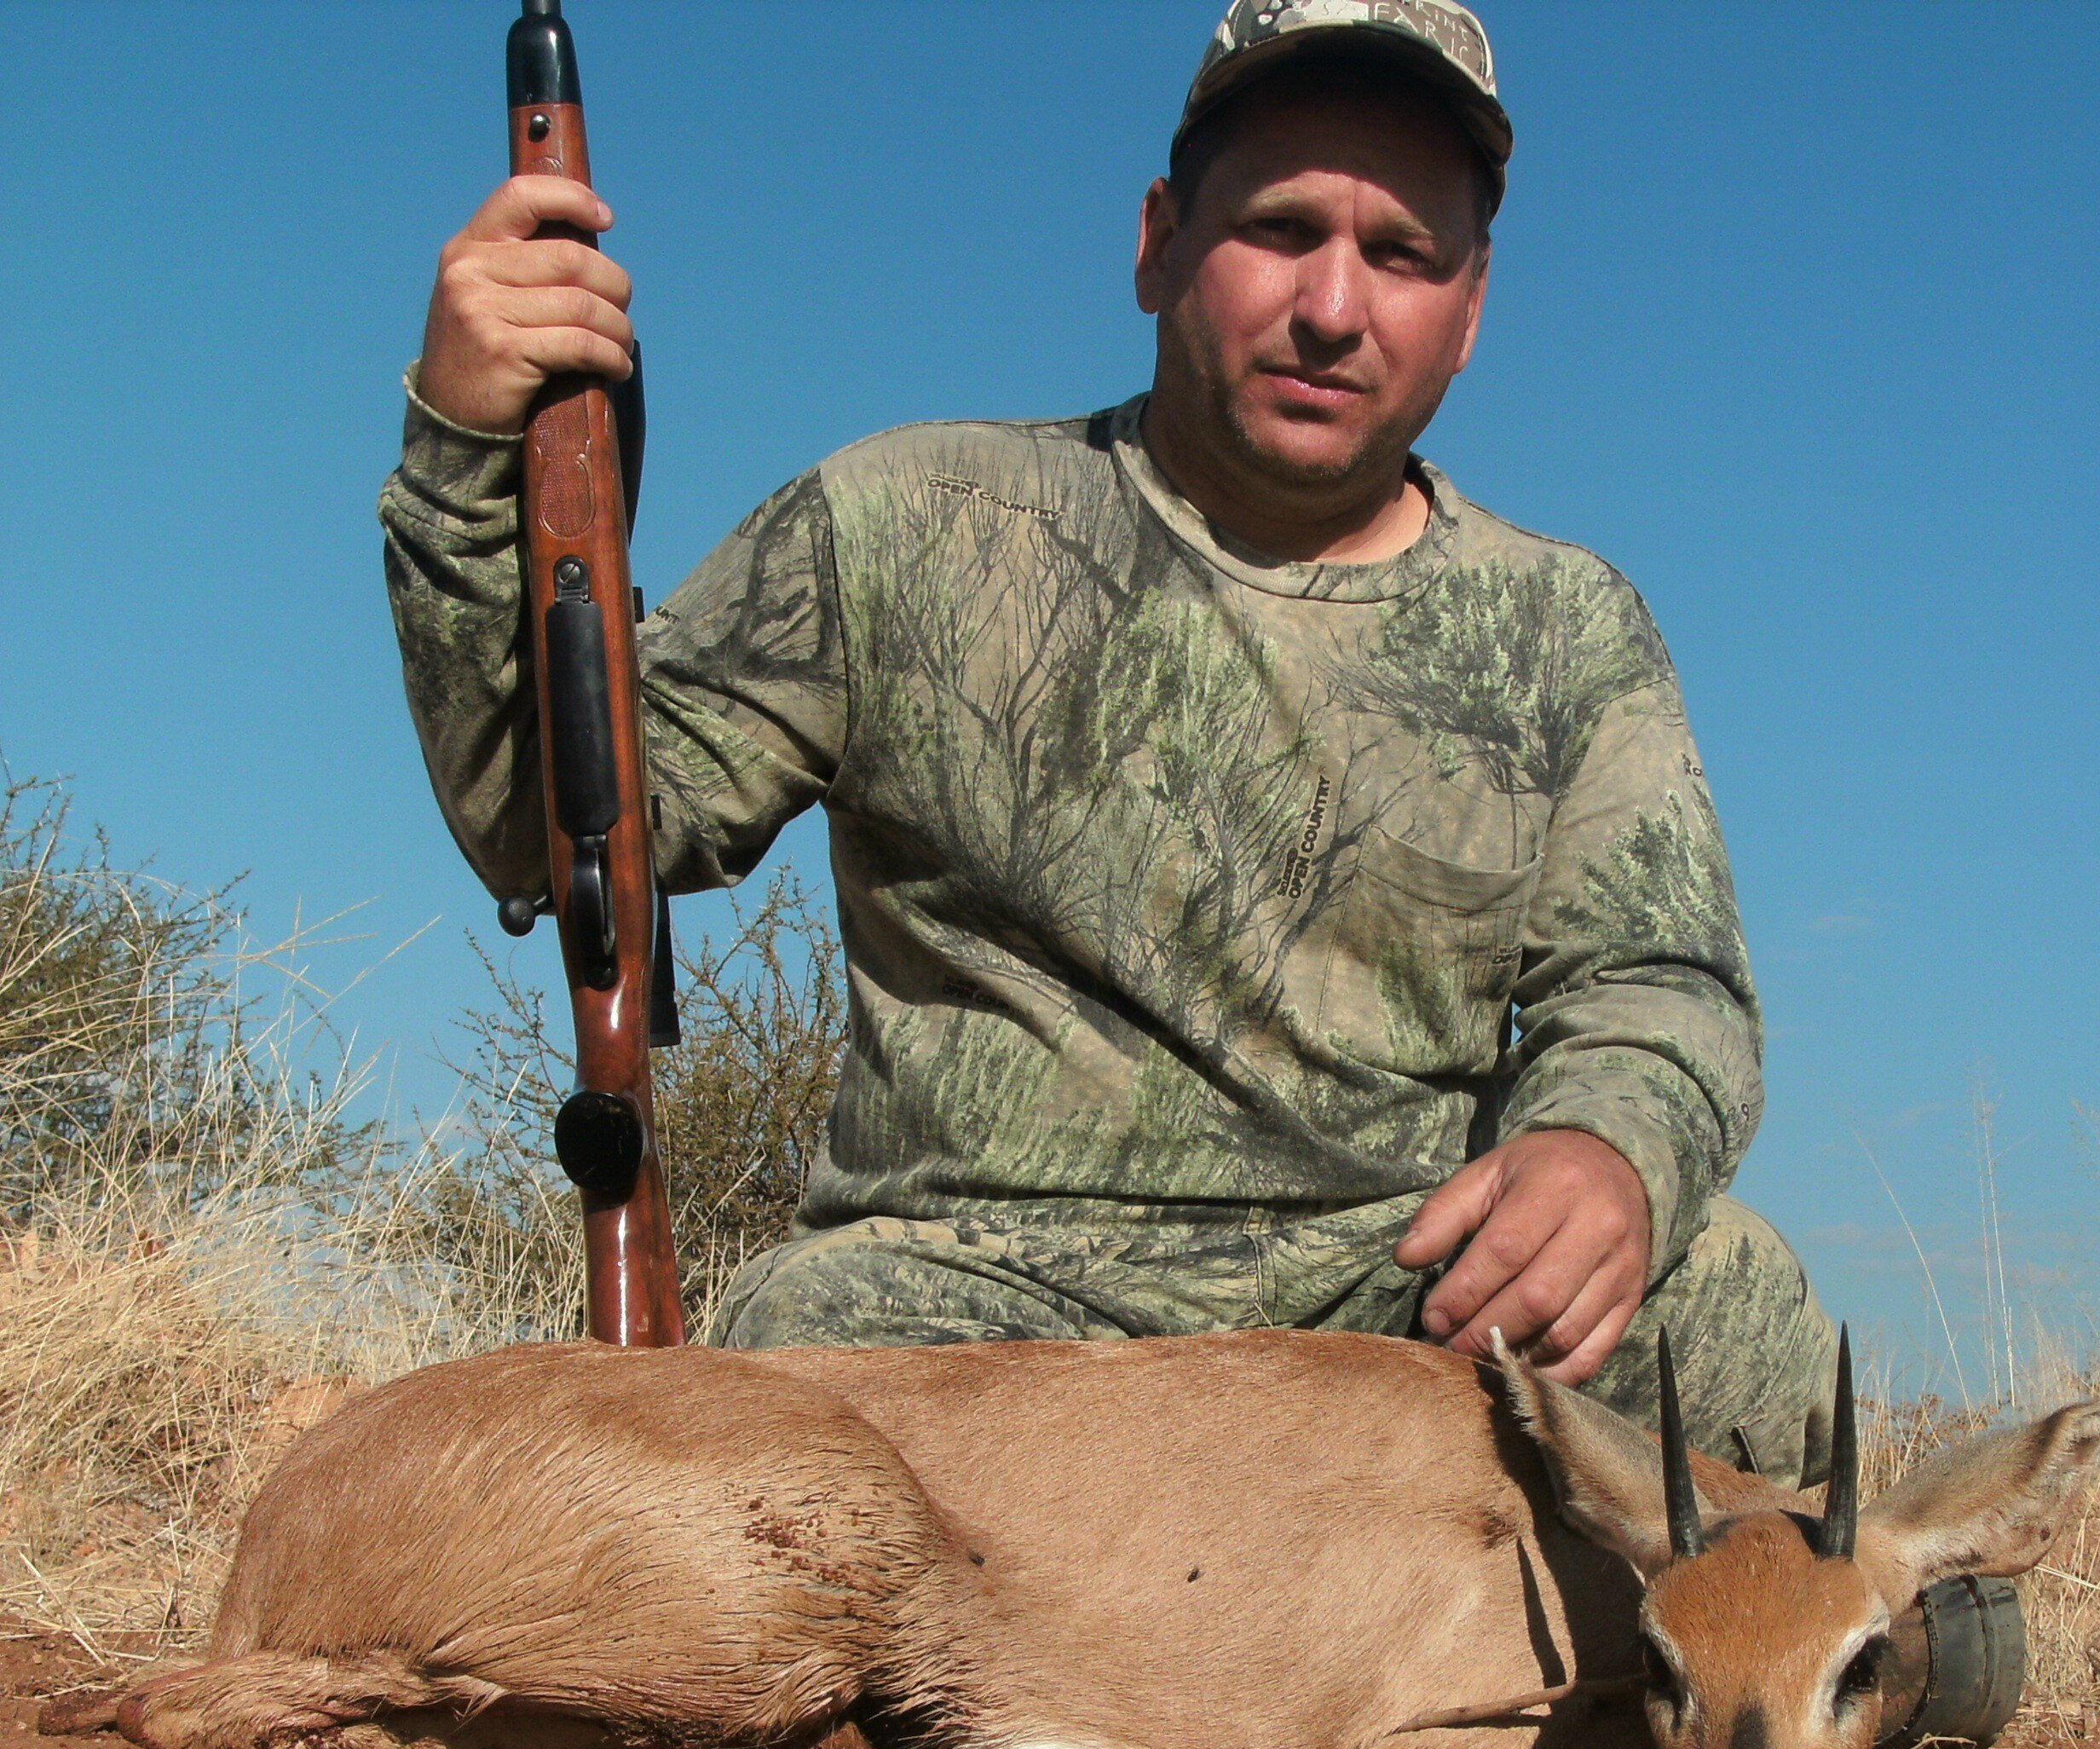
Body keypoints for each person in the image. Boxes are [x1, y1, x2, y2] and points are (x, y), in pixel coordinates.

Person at [382, 0, 1838, 1477]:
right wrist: (458, 445)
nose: (1333, 306)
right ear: (1155, 241)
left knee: (1730, 1301)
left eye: (1401, 255)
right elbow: (552, 821)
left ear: (1468, 311)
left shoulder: (1567, 623)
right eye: (1278, 229)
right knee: (794, 1370)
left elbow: (1660, 984)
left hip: (1400, 1294)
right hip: (972, 1302)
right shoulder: (901, 519)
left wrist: (1605, 1149)